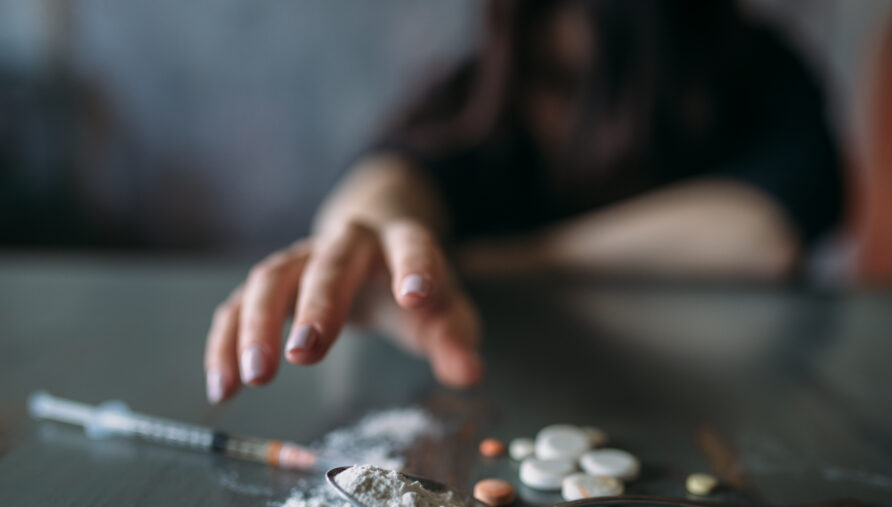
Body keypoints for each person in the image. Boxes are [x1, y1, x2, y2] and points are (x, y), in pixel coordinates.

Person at [203, 0, 843, 404]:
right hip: (505, 390)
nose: (560, 111)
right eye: (552, 81)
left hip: (730, 396)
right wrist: (366, 235)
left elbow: (764, 236)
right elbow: (392, 174)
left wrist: (506, 261)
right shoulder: (489, 81)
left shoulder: (757, 68)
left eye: (590, 85)